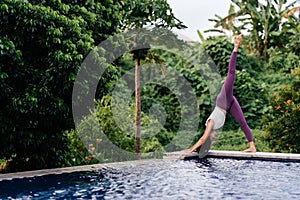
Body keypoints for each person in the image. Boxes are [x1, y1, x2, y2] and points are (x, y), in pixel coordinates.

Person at [184, 34, 256, 153]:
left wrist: (190, 150)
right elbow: (204, 141)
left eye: (211, 138)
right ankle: (252, 146)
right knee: (243, 122)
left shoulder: (210, 123)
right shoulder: (215, 128)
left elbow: (202, 139)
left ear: (208, 135)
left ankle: (235, 47)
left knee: (231, 73)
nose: (214, 138)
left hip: (223, 99)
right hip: (229, 104)